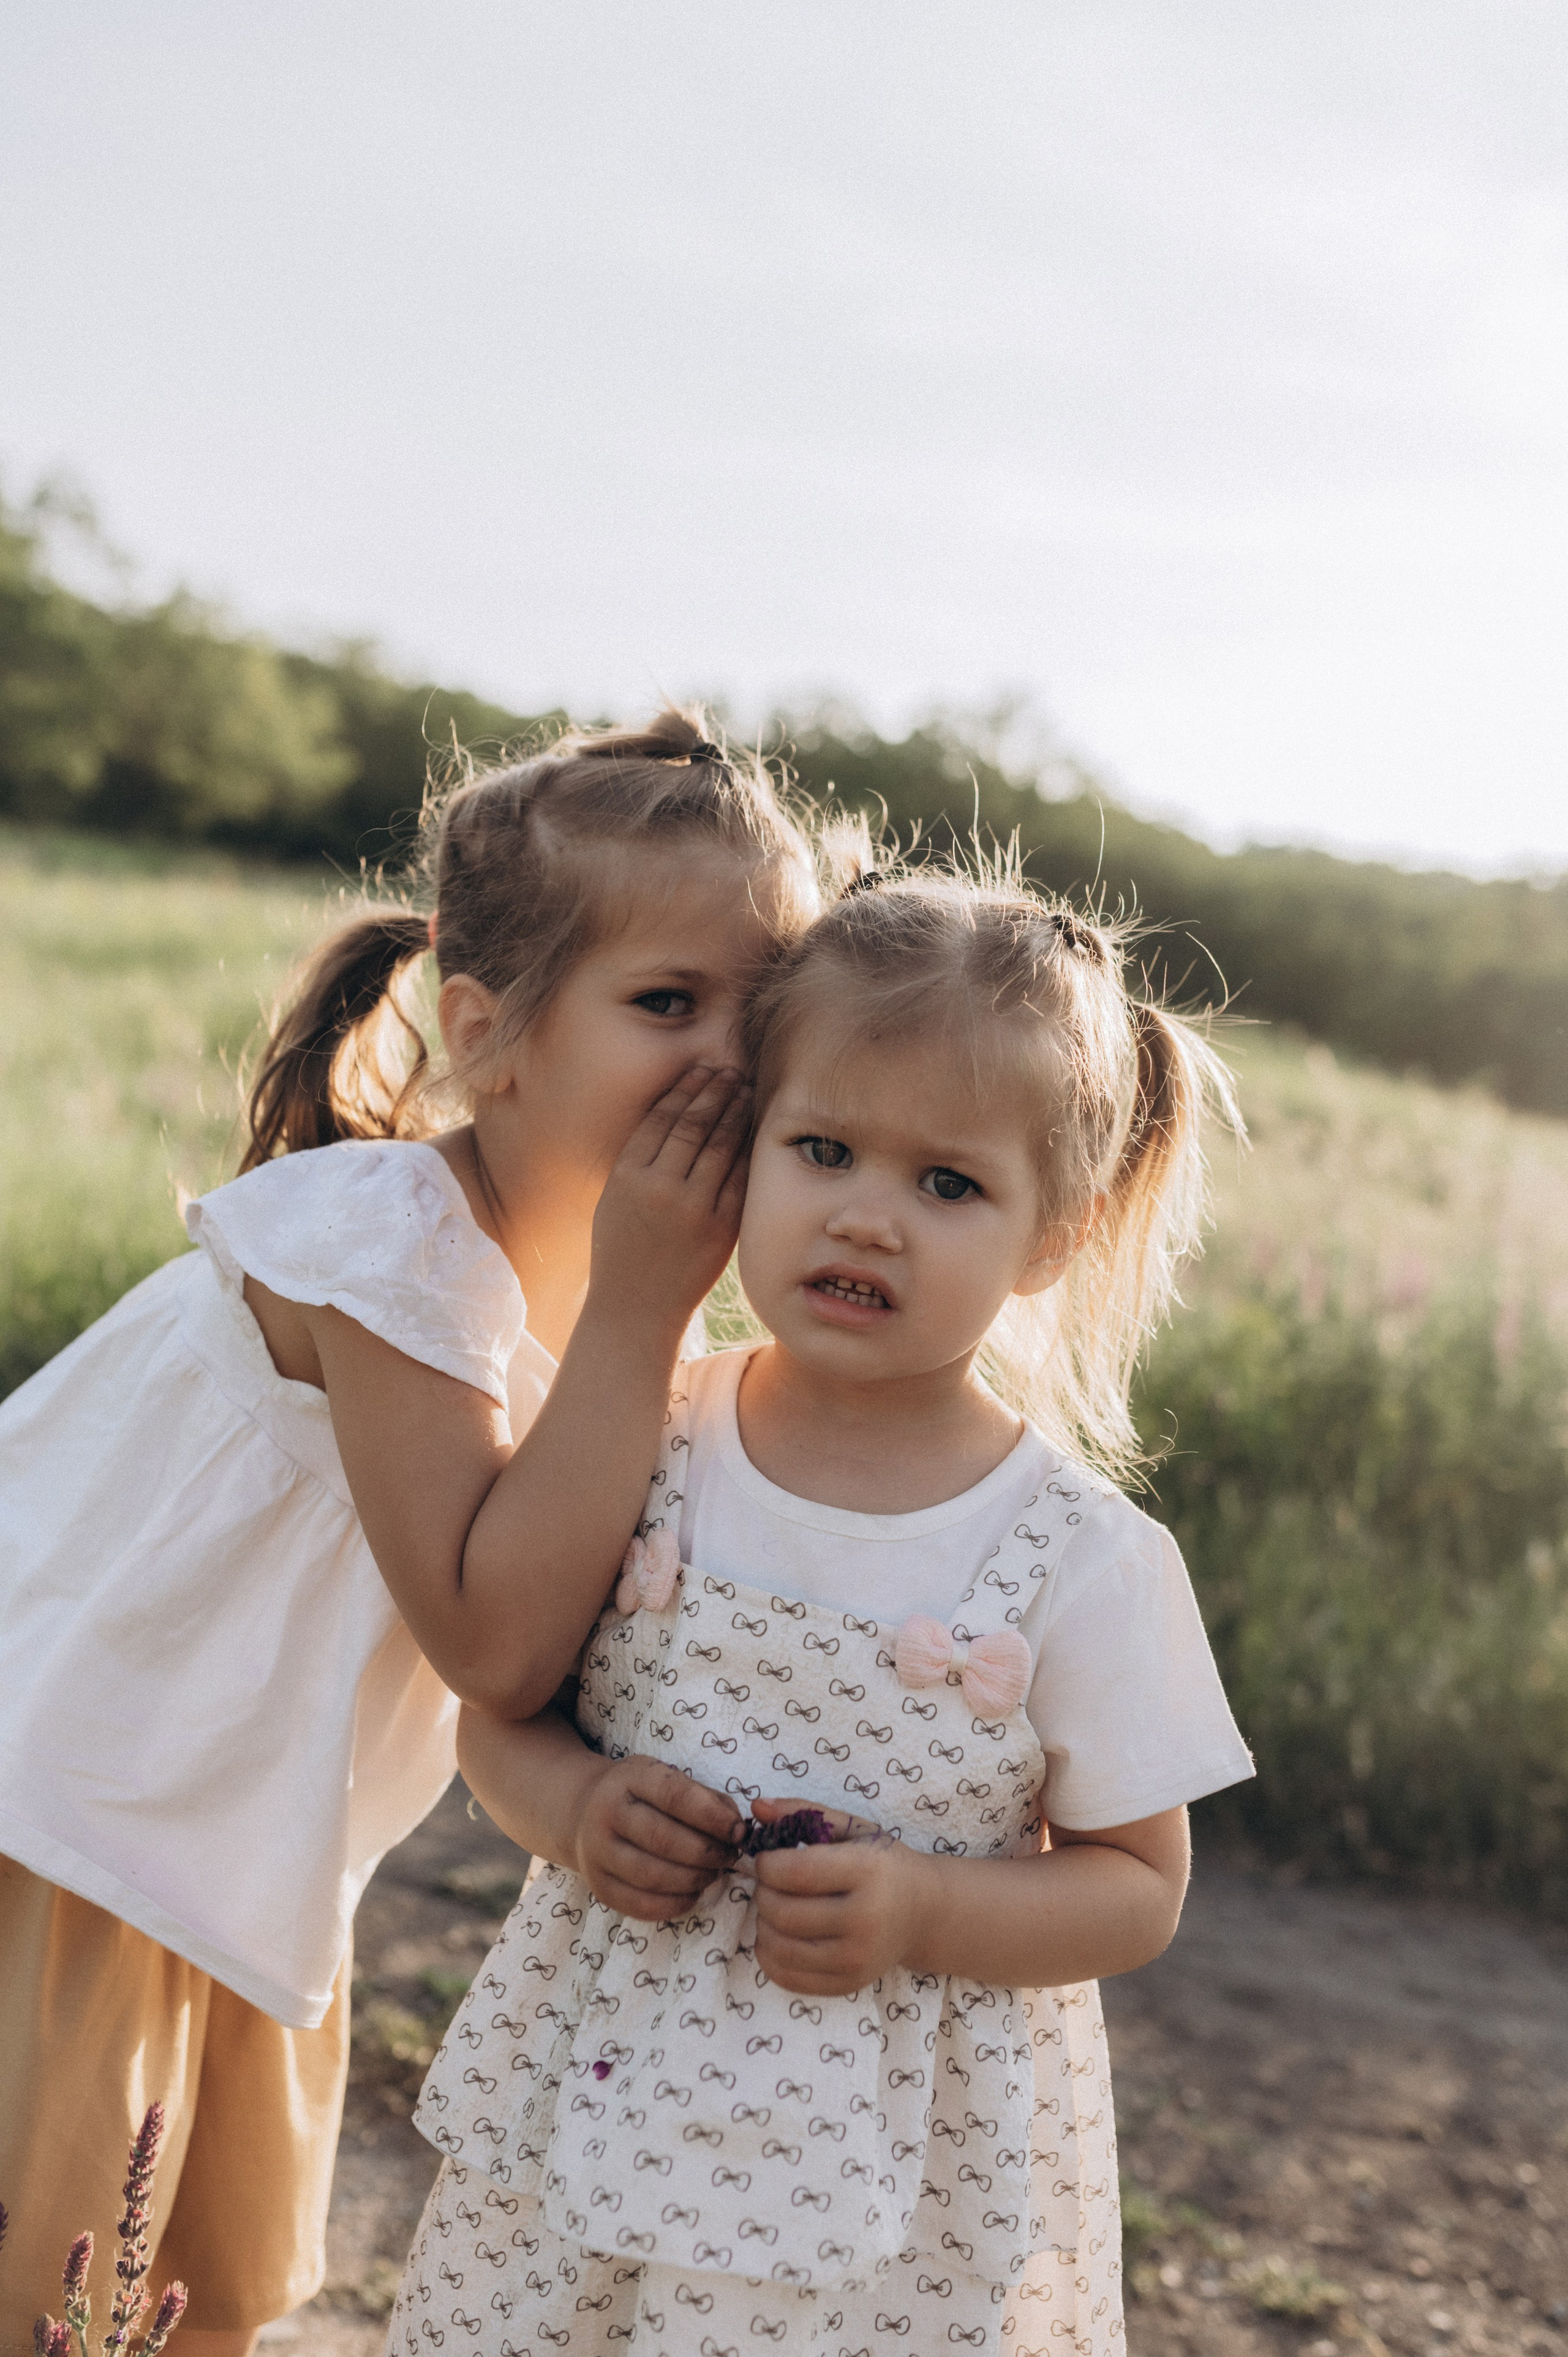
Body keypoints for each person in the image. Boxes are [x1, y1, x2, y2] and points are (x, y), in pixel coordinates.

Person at [0, 710, 819, 2357]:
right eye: (669, 1003)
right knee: (59, 2294)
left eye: (771, 1010)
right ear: (488, 1034)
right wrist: (646, 1314)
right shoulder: (391, 1248)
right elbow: (493, 1636)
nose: (732, 1059)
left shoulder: (602, 1304)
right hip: (80, 1816)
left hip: (239, 1857)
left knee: (193, 2299)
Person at [389, 854, 1257, 2357]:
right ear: (745, 1146)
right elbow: (499, 1718)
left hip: (893, 2197)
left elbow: (1136, 1887)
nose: (868, 1218)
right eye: (823, 1149)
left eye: (947, 1183)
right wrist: (577, 1809)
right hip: (596, 2111)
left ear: (1048, 1235)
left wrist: (926, 1904)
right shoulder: (645, 1435)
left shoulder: (1077, 1557)